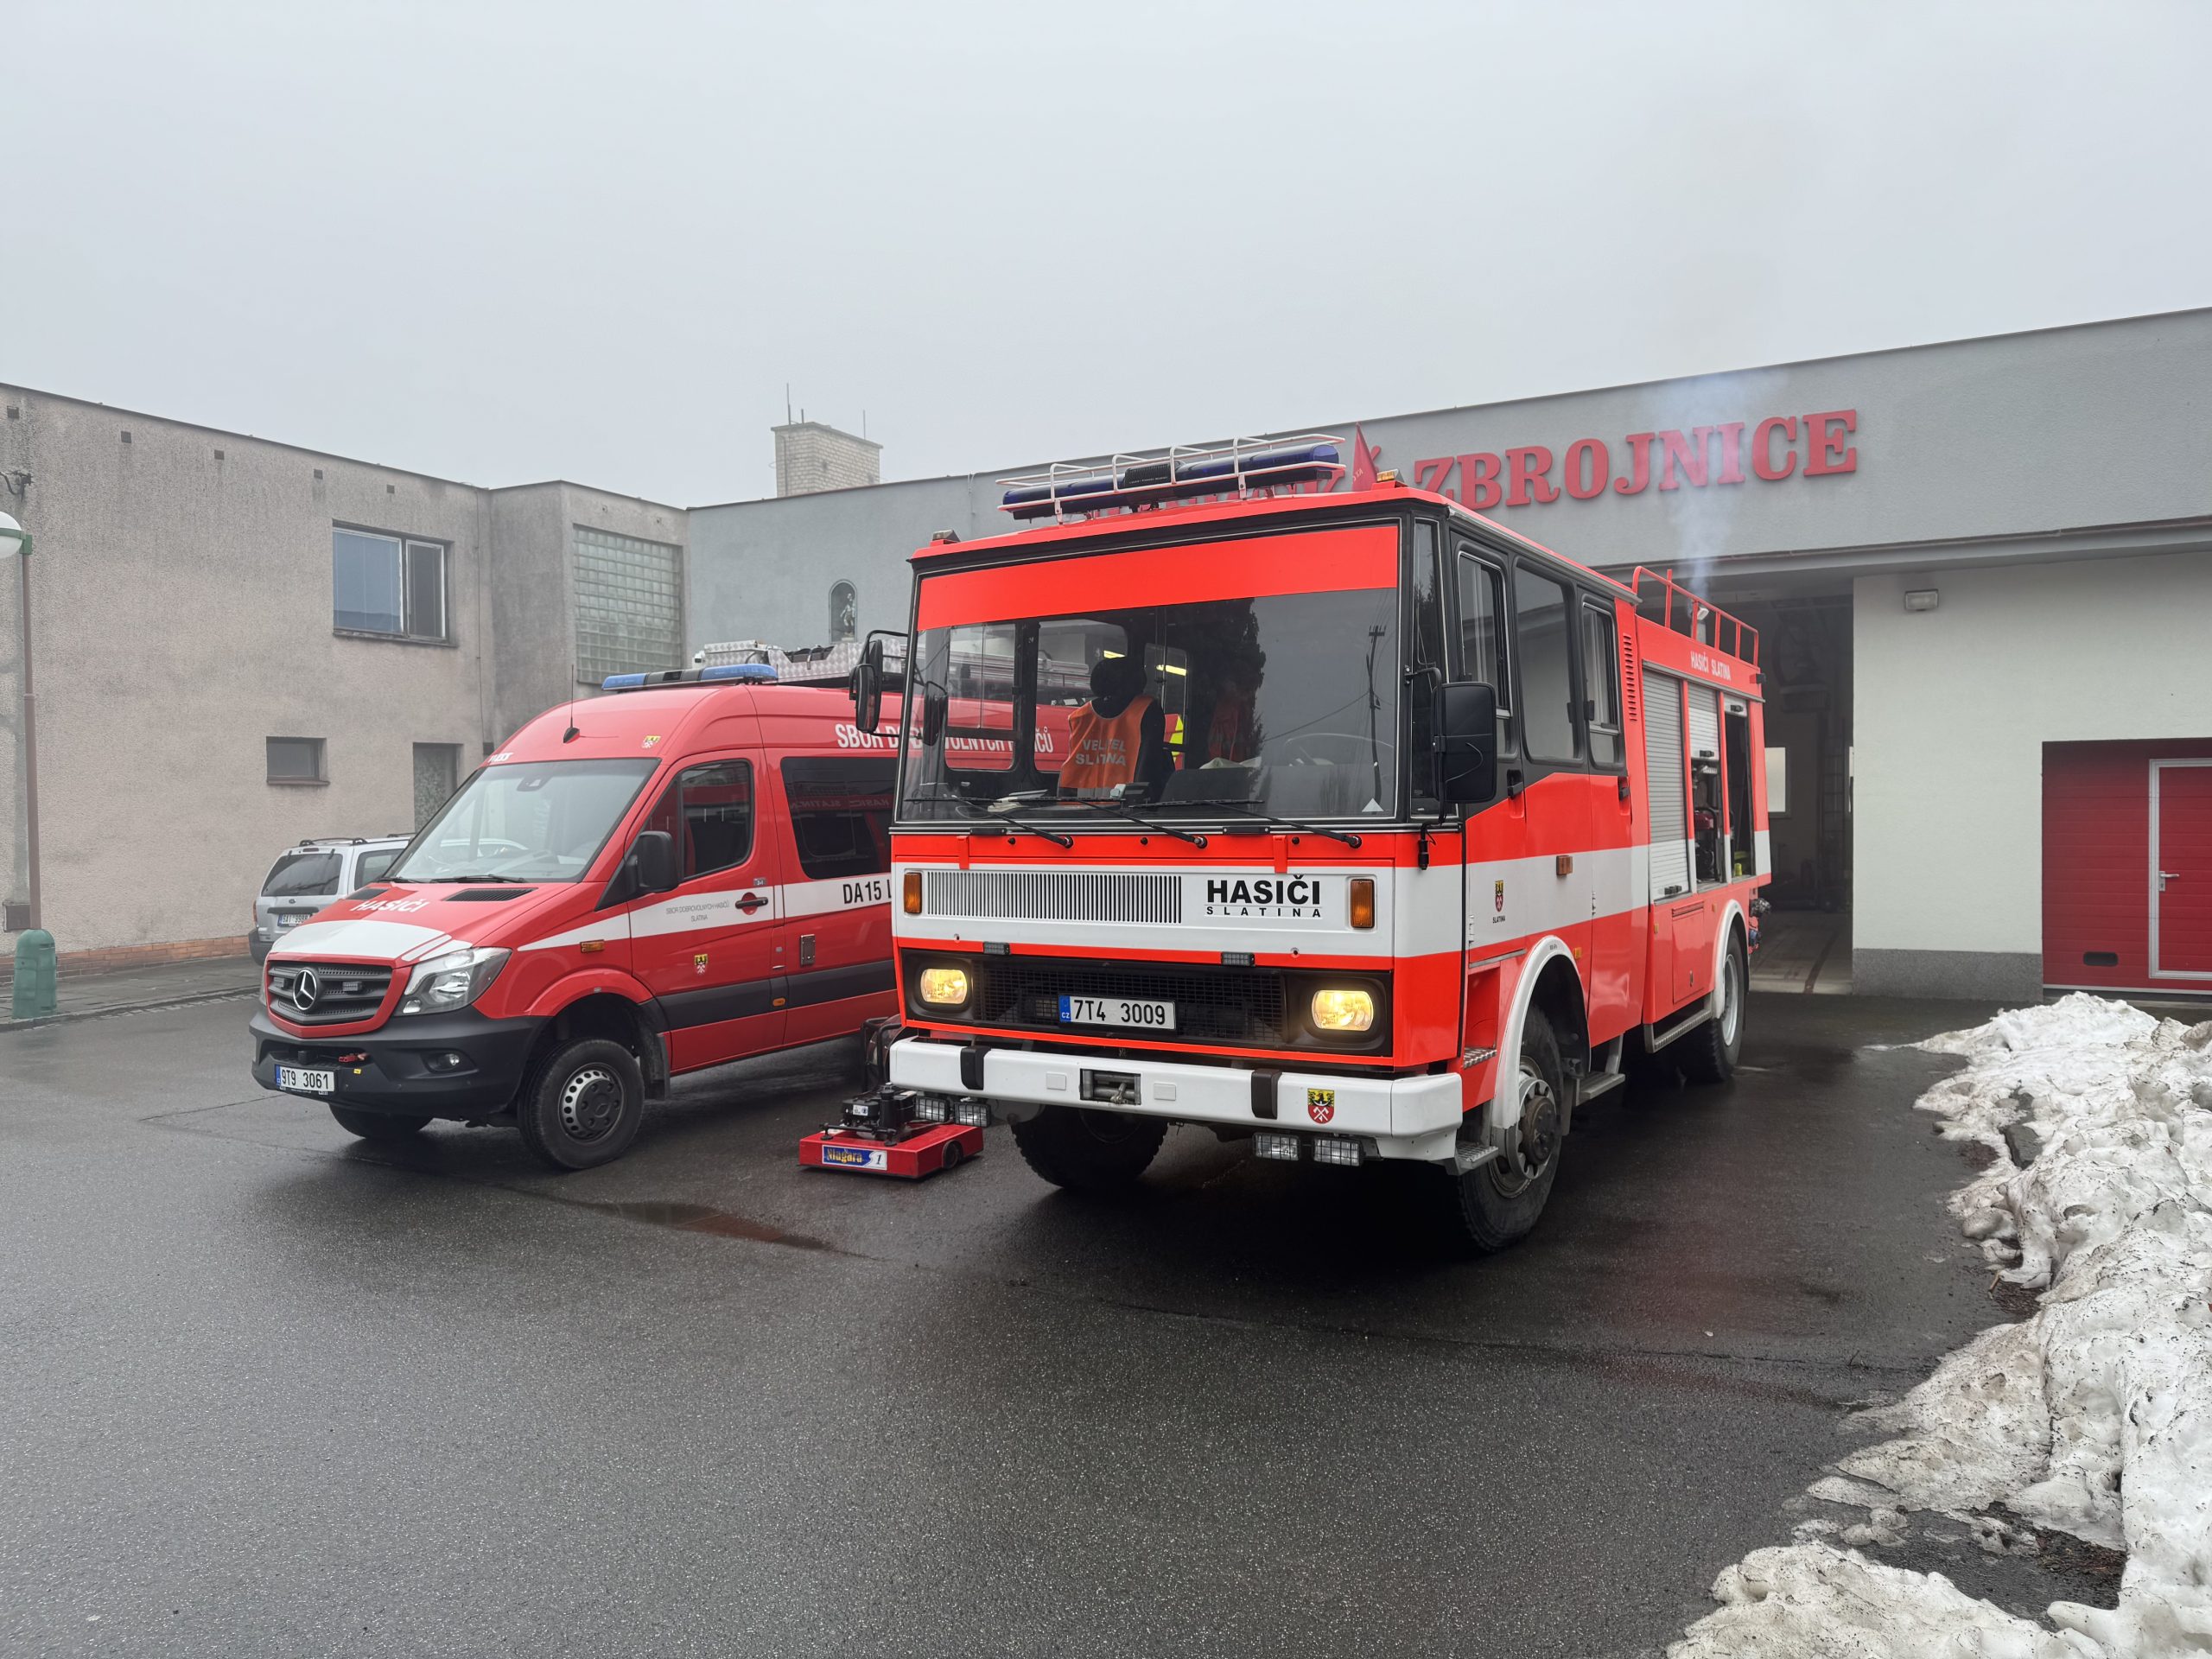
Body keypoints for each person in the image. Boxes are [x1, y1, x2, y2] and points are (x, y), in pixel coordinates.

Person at [1058, 654, 1165, 797]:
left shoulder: (1080, 716)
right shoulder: (1147, 711)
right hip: (1126, 806)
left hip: (1075, 807)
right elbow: (1149, 768)